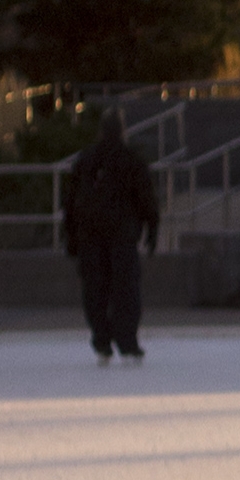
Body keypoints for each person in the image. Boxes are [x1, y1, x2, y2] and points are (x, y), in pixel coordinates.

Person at [58, 107, 160, 365]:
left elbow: (70, 203)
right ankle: (127, 343)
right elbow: (146, 199)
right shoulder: (131, 160)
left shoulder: (86, 160)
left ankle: (102, 341)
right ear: (123, 130)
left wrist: (70, 236)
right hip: (122, 236)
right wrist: (152, 230)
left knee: (95, 291)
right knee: (125, 291)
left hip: (90, 236)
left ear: (101, 130)